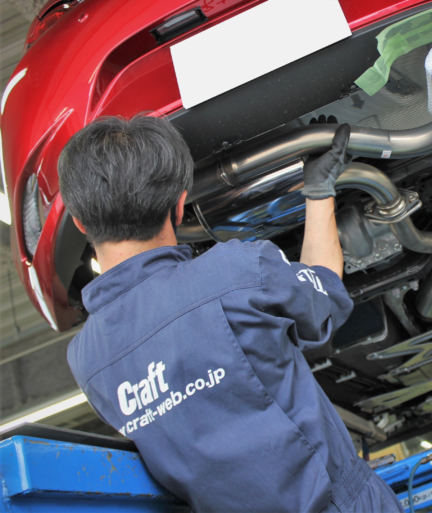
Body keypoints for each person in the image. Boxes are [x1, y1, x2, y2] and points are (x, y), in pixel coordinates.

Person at [60, 115, 404, 513]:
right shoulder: (237, 272)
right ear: (179, 206)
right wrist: (319, 189)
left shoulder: (86, 360)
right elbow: (323, 290)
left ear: (80, 222)